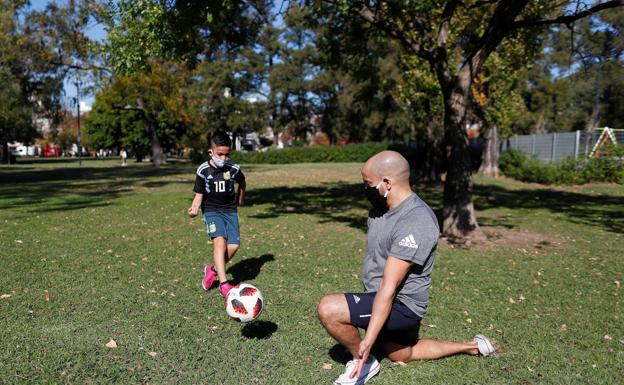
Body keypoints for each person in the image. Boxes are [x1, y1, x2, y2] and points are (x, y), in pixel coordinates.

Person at [317, 151, 497, 385]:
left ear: (387, 183)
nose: (365, 190)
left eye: (368, 184)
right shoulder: (380, 210)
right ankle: (472, 346)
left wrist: (367, 341)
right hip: (382, 299)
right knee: (401, 353)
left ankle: (365, 362)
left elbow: (389, 287)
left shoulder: (416, 221)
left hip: (403, 307)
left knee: (329, 308)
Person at [187, 132, 246, 298]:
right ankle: (224, 284)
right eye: (220, 154)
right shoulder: (203, 170)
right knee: (220, 242)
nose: (224, 158)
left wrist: (240, 198)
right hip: (212, 210)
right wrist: (194, 208)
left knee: (233, 246)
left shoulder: (233, 168)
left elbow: (242, 182)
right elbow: (199, 194)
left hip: (230, 211)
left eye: (227, 155)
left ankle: (212, 270)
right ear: (210, 152)